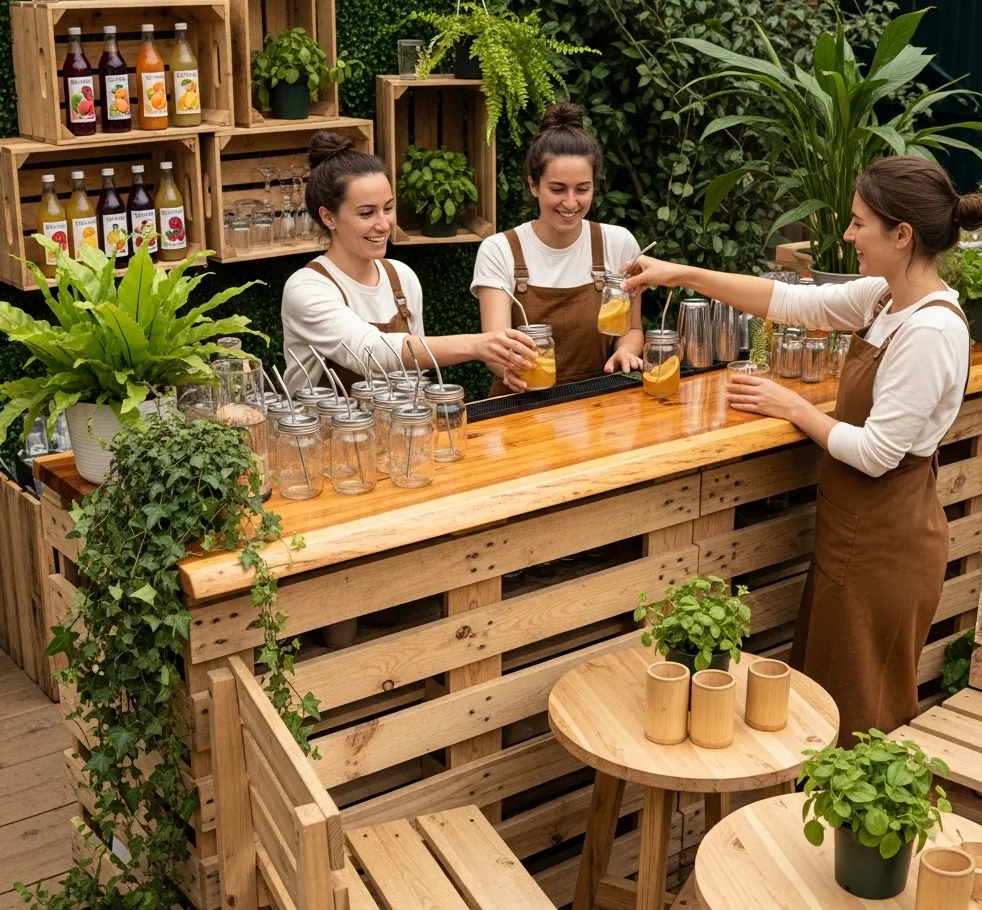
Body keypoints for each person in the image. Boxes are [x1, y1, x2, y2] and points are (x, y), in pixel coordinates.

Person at [623, 155, 982, 744]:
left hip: (888, 545)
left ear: (902, 235)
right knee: (822, 704)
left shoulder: (930, 331)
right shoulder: (885, 300)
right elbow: (787, 302)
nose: (848, 234)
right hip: (851, 532)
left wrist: (793, 406)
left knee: (863, 715)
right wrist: (680, 274)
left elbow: (877, 453)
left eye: (859, 223)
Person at [282, 131, 536, 389]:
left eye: (388, 208)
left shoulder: (401, 278)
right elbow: (369, 351)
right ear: (328, 217)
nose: (384, 225)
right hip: (320, 417)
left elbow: (414, 373)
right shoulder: (306, 288)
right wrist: (476, 344)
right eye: (367, 213)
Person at [473, 103, 645, 395]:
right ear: (533, 185)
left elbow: (632, 329)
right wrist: (509, 368)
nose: (570, 202)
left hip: (595, 404)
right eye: (557, 189)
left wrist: (625, 351)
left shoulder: (618, 243)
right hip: (520, 405)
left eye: (582, 189)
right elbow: (496, 347)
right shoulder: (499, 250)